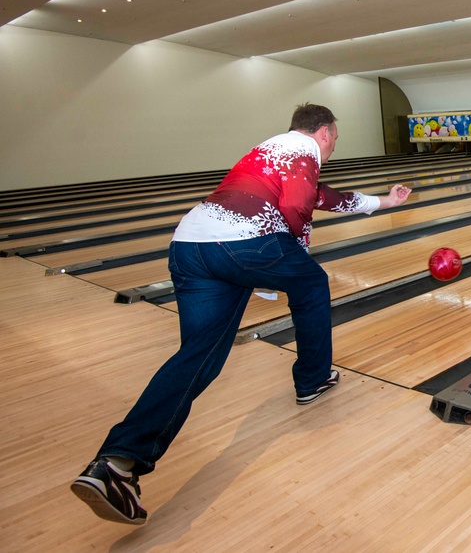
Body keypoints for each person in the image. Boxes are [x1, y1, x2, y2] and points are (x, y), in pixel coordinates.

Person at [70, 103, 411, 525]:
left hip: (189, 246)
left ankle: (117, 464)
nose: (334, 147)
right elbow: (299, 206)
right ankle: (312, 379)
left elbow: (323, 196)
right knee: (312, 283)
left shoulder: (268, 152)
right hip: (246, 241)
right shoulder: (302, 150)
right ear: (323, 132)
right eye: (335, 139)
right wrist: (287, 264)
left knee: (198, 357)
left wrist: (383, 201)